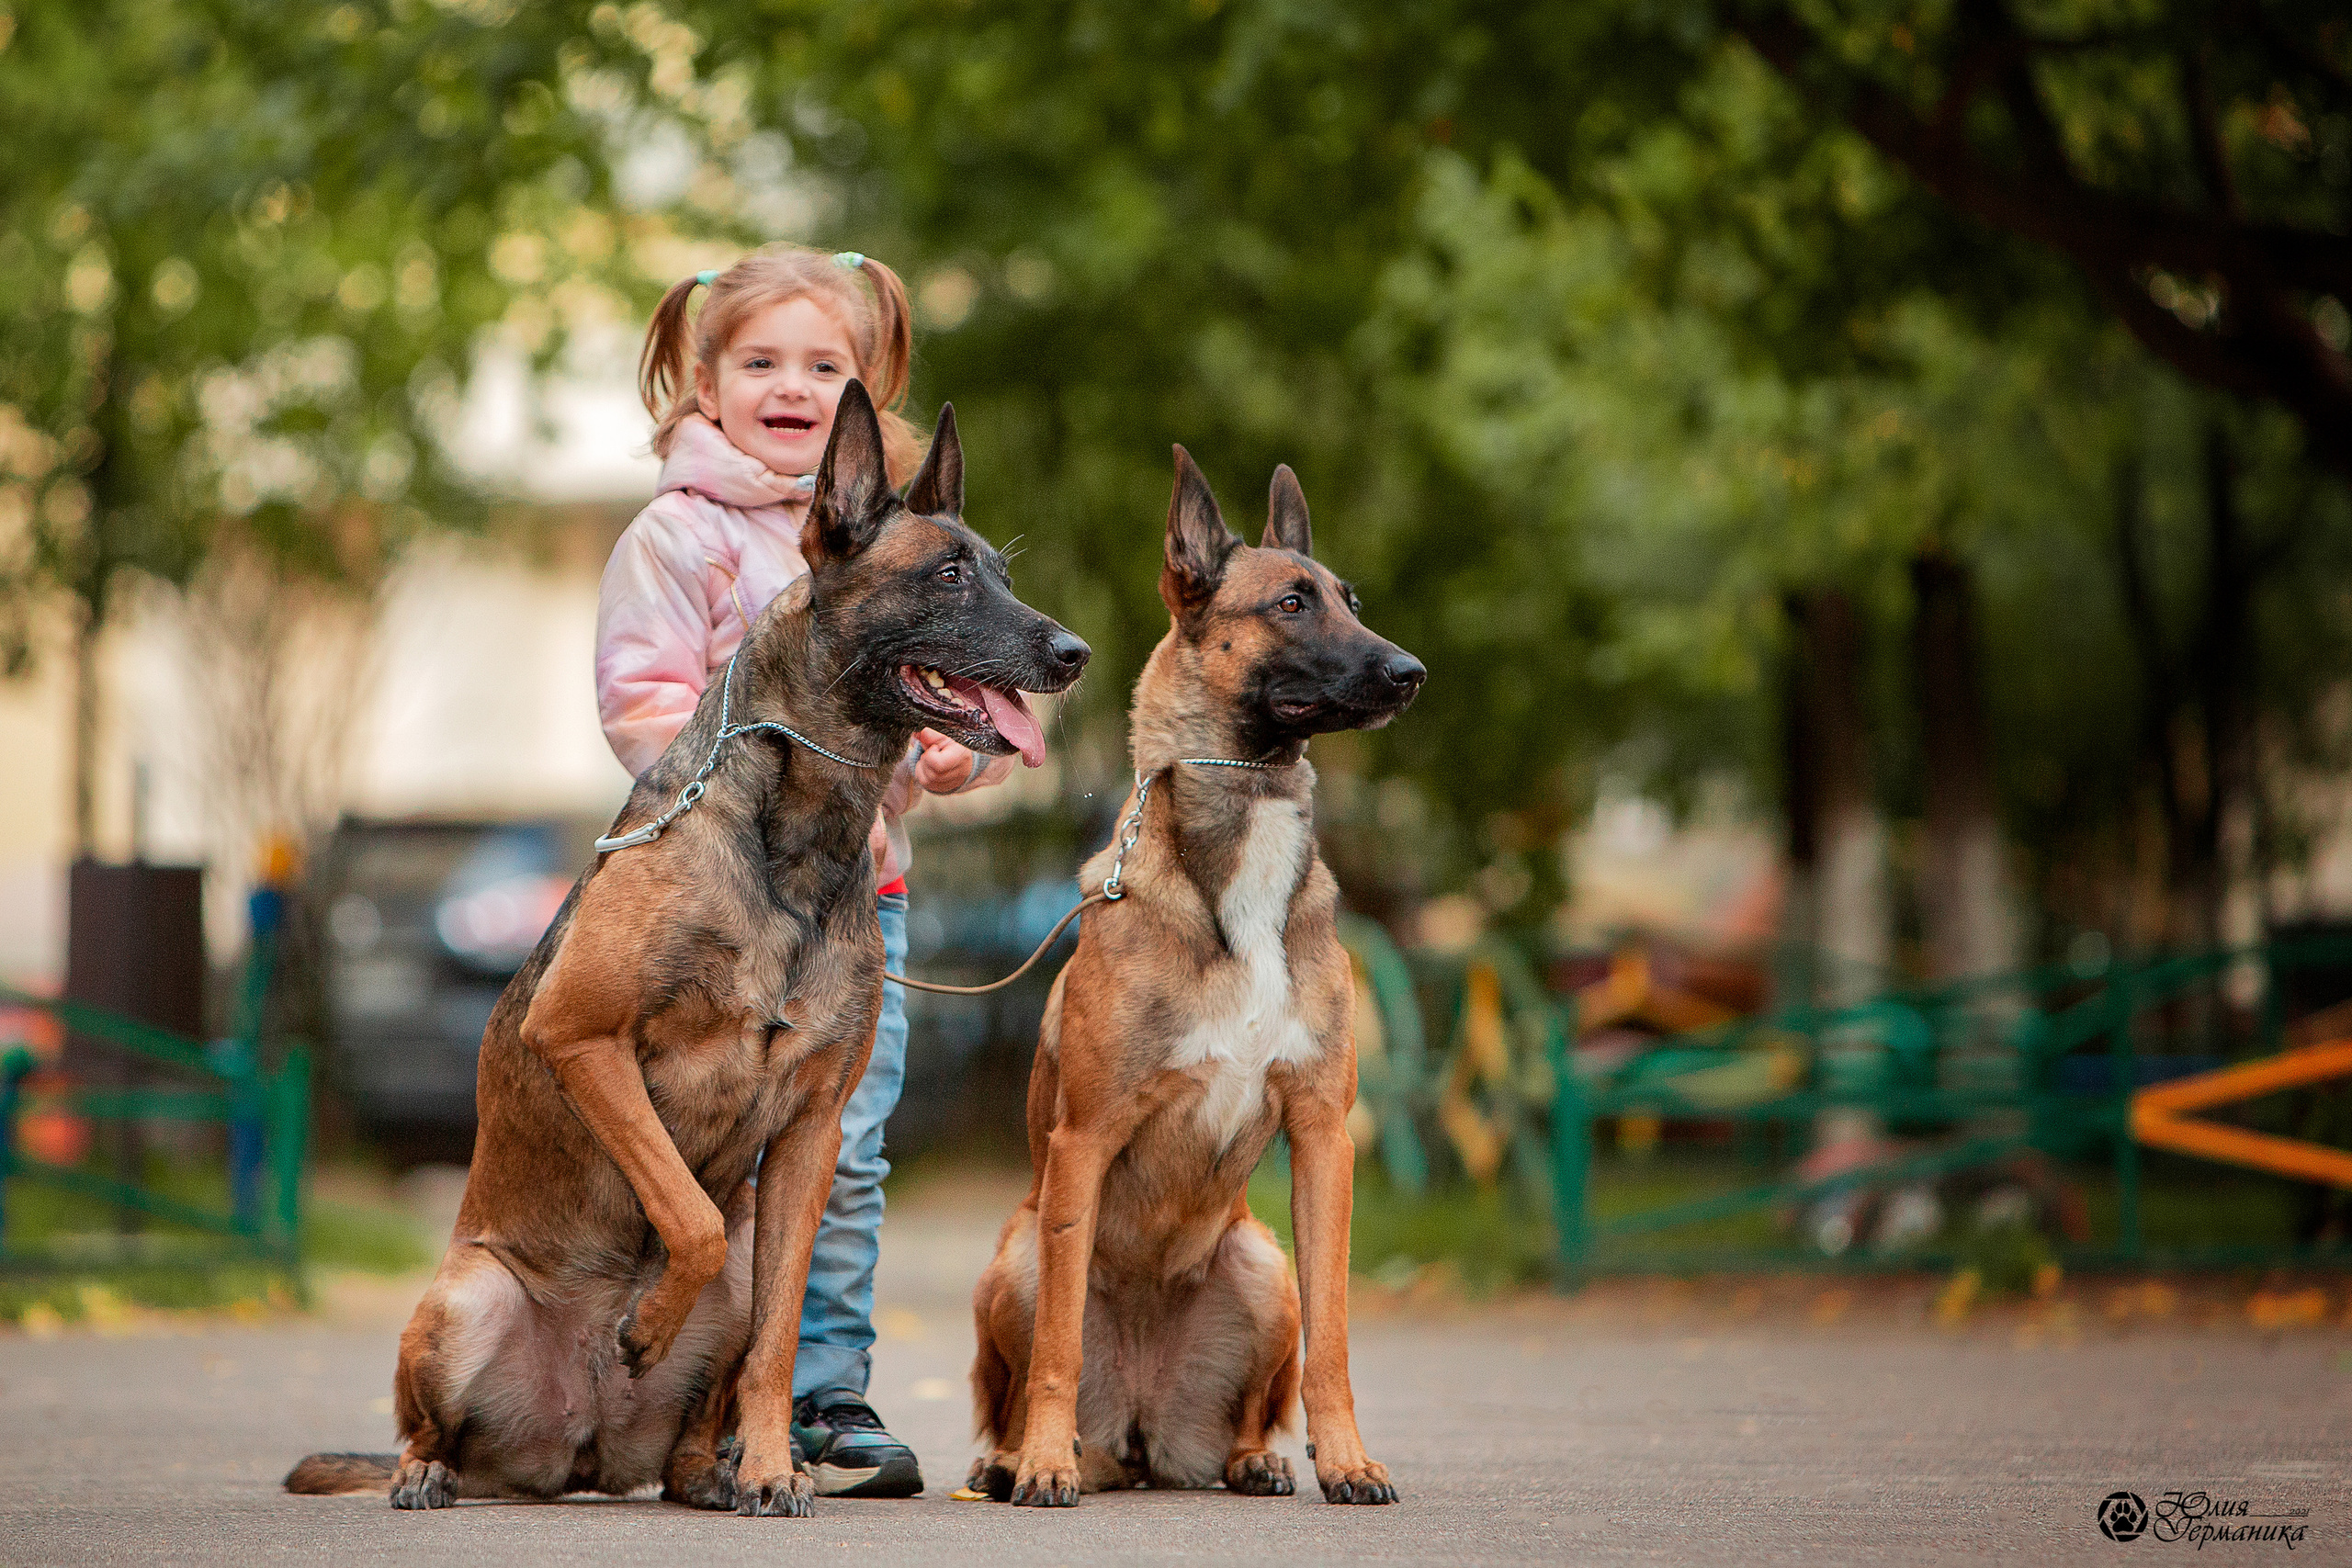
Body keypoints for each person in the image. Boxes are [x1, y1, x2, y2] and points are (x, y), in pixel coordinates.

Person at [595, 244, 1023, 1498]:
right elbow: (641, 707)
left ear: (867, 384)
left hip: (854, 907)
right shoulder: (679, 535)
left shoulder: (900, 539)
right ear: (703, 377)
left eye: (823, 365)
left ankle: (825, 1387)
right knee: (689, 1147)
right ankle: (673, 1389)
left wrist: (953, 761)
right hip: (711, 903)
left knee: (842, 1148)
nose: (791, 385)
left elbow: (951, 697)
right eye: (761, 362)